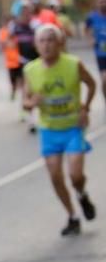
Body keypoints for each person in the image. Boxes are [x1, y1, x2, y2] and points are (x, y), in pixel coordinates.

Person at [22, 24, 98, 236]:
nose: (46, 45)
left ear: (60, 43)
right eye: (42, 41)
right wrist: (32, 103)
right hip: (49, 130)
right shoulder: (31, 70)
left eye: (50, 40)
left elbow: (92, 84)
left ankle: (82, 194)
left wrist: (85, 107)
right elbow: (25, 102)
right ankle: (72, 216)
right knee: (55, 175)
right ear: (36, 46)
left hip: (73, 127)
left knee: (75, 175)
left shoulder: (73, 64)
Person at [86, 0, 106, 107]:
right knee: (104, 80)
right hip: (101, 53)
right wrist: (90, 39)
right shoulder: (92, 17)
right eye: (100, 2)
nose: (102, 3)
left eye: (104, 1)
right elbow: (87, 30)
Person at [0, 16, 24, 102]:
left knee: (22, 80)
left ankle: (22, 96)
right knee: (13, 80)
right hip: (10, 62)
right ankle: (13, 91)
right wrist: (9, 37)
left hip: (20, 60)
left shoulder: (19, 32)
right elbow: (3, 45)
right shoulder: (4, 31)